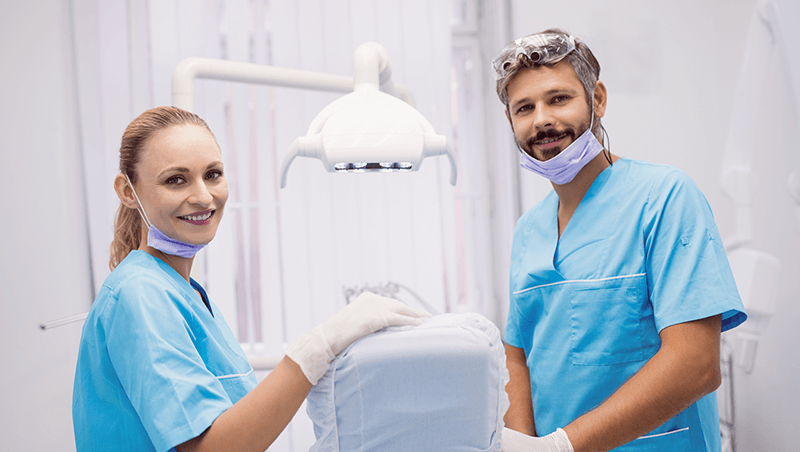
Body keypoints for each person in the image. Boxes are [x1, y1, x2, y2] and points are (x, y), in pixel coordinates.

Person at [72, 106, 431, 452]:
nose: (202, 196)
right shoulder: (140, 294)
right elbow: (212, 448)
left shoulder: (182, 292)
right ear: (126, 191)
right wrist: (316, 347)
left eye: (212, 174)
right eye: (176, 180)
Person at [493, 30, 747, 452]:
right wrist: (523, 445)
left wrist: (561, 447)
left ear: (598, 100)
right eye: (524, 108)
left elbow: (696, 363)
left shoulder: (665, 198)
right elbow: (517, 353)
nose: (541, 120)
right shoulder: (528, 230)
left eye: (558, 99)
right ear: (511, 122)